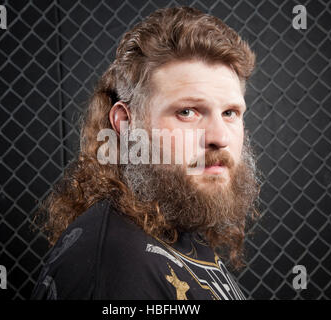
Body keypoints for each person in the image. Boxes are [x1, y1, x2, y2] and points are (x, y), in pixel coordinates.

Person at [31, 6, 260, 300]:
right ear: (126, 124)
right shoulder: (115, 265)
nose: (219, 137)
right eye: (187, 112)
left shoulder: (175, 224)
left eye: (230, 112)